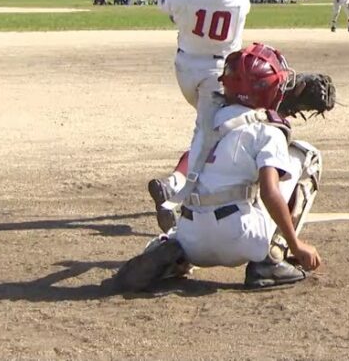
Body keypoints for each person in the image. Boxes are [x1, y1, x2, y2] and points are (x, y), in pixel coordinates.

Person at [115, 44, 323, 292]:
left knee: (213, 192)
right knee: (307, 156)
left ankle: (170, 249)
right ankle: (273, 258)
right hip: (241, 238)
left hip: (194, 240)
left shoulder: (208, 119)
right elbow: (270, 192)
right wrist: (297, 244)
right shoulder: (269, 130)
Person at [147, 0, 252, 233]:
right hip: (216, 75)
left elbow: (170, 11)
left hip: (184, 68)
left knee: (209, 134)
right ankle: (175, 190)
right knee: (207, 139)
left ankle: (184, 185)